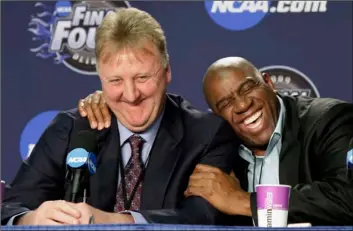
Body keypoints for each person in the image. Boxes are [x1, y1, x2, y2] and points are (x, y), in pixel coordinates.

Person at [1, 8, 239, 226]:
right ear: (101, 80)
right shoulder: (72, 129)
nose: (131, 95)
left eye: (142, 78)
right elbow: (11, 207)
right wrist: (30, 219)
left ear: (167, 71)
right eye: (115, 81)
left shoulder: (207, 134)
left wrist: (112, 222)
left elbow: (203, 216)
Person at [78, 57, 353, 225]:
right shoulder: (216, 143)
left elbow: (347, 198)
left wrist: (245, 201)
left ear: (269, 83)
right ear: (216, 116)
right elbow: (160, 114)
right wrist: (112, 101)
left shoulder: (328, 120)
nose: (243, 105)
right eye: (226, 103)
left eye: (248, 88)